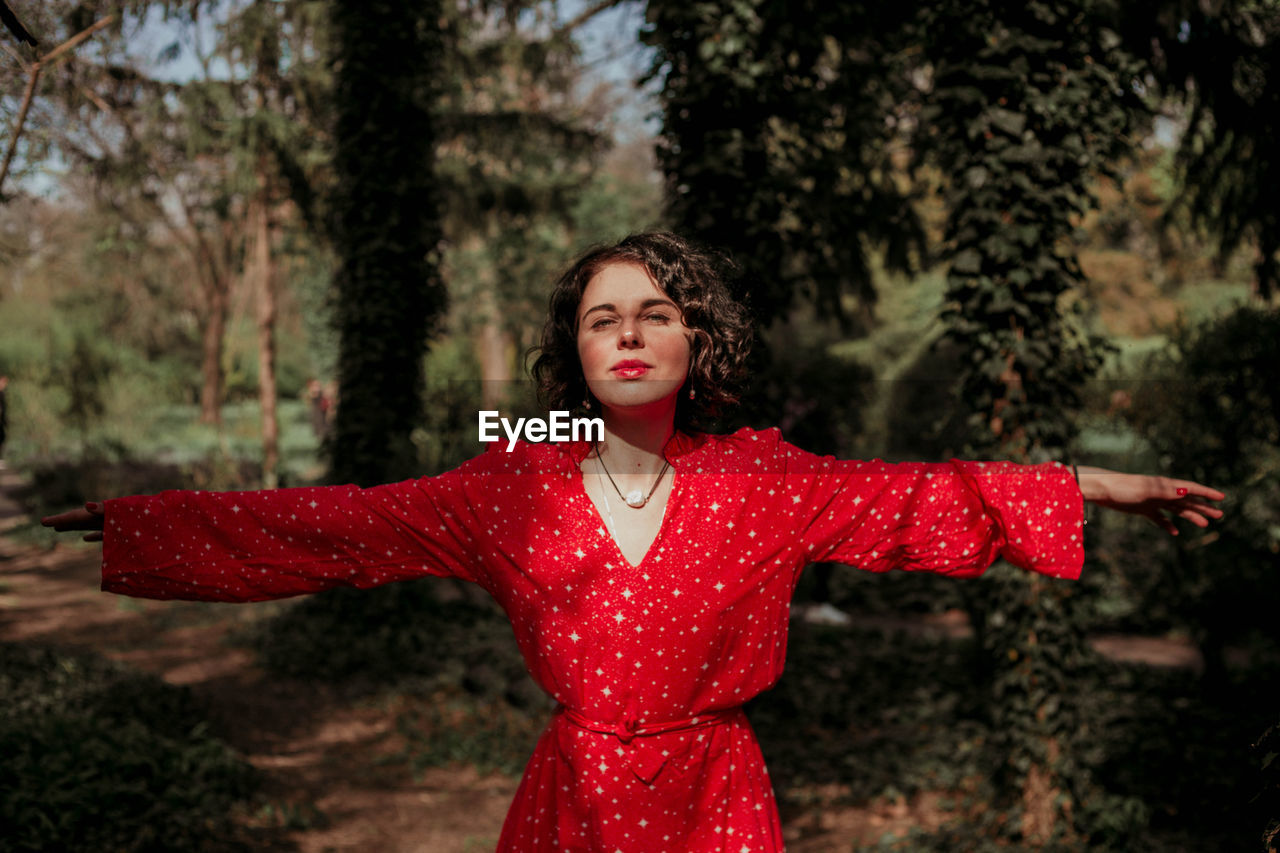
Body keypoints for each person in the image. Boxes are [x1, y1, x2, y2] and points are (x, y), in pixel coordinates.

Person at [43, 232, 1225, 852]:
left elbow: (928, 494)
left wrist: (1108, 486)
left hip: (717, 795)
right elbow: (345, 525)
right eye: (602, 315)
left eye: (653, 312)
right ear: (575, 345)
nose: (626, 333)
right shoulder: (508, 485)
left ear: (690, 338)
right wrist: (147, 519)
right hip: (577, 797)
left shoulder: (768, 479)